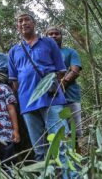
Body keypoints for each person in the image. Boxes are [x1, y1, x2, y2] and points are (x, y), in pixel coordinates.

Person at [8, 11, 69, 161]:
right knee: (40, 150)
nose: (23, 23)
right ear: (17, 27)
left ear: (34, 23)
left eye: (27, 19)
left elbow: (60, 71)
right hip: (28, 104)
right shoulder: (13, 51)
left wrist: (51, 87)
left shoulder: (49, 43)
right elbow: (14, 82)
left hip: (51, 100)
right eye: (20, 21)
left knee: (62, 143)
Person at [46, 26, 83, 139]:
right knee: (59, 135)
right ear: (46, 37)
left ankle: (78, 156)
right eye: (50, 34)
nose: (53, 36)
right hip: (52, 101)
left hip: (70, 98)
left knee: (74, 134)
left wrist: (62, 84)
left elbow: (75, 71)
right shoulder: (44, 55)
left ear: (61, 36)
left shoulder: (70, 52)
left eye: (56, 33)